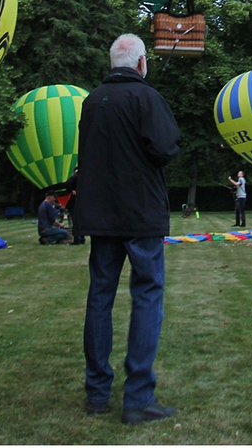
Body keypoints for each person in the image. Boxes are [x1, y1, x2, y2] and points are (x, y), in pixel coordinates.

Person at [74, 34, 181, 425]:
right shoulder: (147, 98)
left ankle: (97, 394)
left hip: (101, 215)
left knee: (100, 297)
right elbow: (166, 149)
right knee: (147, 296)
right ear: (140, 64)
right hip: (141, 215)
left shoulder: (91, 102)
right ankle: (138, 397)